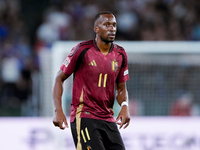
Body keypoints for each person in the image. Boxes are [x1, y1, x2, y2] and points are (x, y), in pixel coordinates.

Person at [52, 11, 130, 150]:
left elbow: (121, 88)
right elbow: (59, 79)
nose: (112, 28)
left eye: (114, 25)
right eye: (106, 25)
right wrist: (58, 110)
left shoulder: (120, 54)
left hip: (107, 117)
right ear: (96, 29)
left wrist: (124, 106)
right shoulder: (82, 50)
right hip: (84, 115)